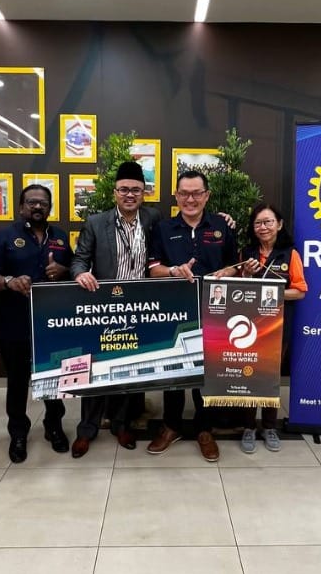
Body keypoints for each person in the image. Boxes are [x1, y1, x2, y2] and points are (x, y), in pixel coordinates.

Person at [70, 161, 161, 458]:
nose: (130, 195)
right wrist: (80, 274)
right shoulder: (97, 222)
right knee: (95, 368)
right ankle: (87, 430)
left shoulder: (153, 219)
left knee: (128, 369)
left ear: (144, 193)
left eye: (136, 189)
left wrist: (225, 219)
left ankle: (122, 425)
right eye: (124, 189)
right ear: (115, 192)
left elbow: (179, 233)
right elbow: (79, 259)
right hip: (104, 307)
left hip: (139, 307)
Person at [147, 169, 239, 461]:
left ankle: (204, 429)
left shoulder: (221, 226)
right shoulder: (163, 228)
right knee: (173, 370)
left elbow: (235, 265)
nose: (190, 199)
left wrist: (228, 272)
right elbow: (152, 269)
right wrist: (173, 270)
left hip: (214, 310)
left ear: (206, 195)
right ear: (176, 196)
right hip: (173, 310)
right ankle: (171, 426)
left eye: (196, 193)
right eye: (184, 193)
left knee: (206, 373)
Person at [0, 184, 73, 461]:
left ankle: (53, 426)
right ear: (21, 206)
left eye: (43, 203)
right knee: (17, 381)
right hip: (15, 322)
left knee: (55, 378)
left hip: (53, 323)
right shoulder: (3, 237)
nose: (37, 207)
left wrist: (64, 269)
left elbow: (75, 270)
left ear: (49, 208)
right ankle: (18, 432)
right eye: (32, 202)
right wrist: (9, 281)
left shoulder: (60, 237)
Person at [238, 202, 307, 453]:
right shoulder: (247, 253)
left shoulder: (290, 254)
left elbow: (300, 291)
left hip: (278, 326)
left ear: (279, 225)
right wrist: (246, 275)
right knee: (248, 374)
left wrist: (271, 294)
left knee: (270, 377)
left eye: (268, 222)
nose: (263, 227)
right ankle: (248, 426)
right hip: (249, 326)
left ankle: (269, 426)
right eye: (258, 223)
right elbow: (239, 289)